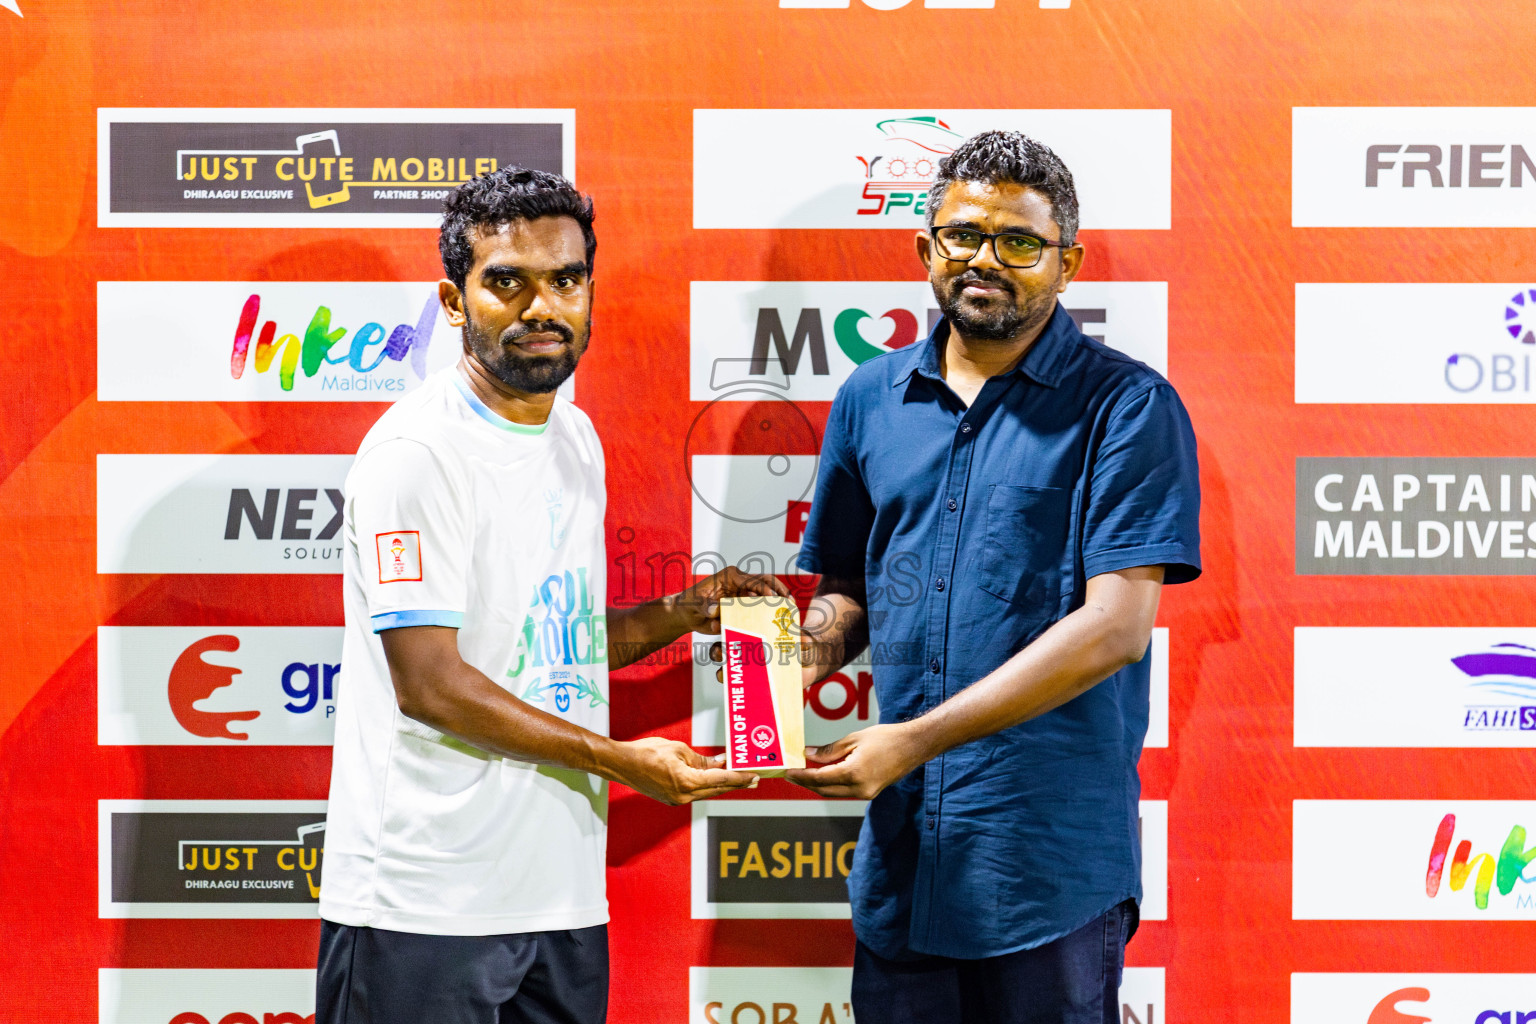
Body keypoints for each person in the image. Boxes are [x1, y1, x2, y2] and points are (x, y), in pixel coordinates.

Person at [315, 166, 779, 1024]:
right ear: (455, 304)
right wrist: (618, 760)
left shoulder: (574, 434)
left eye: (565, 279)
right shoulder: (417, 453)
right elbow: (431, 683)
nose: (543, 306)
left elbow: (548, 642)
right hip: (424, 904)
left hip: (559, 899)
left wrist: (686, 611)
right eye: (507, 282)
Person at [785, 131, 1202, 1024]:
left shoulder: (1129, 407)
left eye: (1019, 242)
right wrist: (790, 662)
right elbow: (851, 588)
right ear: (925, 248)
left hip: (1046, 870)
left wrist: (913, 741)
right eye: (963, 235)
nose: (986, 260)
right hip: (906, 865)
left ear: (1068, 263)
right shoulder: (868, 396)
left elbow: (1115, 628)